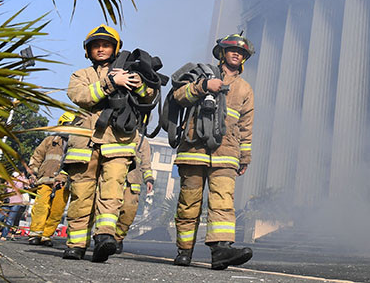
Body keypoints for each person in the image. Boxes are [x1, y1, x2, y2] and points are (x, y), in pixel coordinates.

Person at [61, 24, 156, 263]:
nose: (101, 49)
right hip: (84, 146)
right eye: (96, 46)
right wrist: (111, 83)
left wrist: (139, 83)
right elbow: (81, 96)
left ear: (115, 48)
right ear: (88, 51)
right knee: (81, 196)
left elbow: (149, 98)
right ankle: (76, 245)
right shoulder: (80, 75)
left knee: (112, 192)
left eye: (106, 45)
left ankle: (104, 238)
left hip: (118, 143)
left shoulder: (129, 72)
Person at [171, 33, 254, 270]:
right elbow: (178, 97)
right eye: (231, 50)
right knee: (189, 202)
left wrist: (244, 157)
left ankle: (221, 251)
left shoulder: (245, 89)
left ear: (244, 58)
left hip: (226, 153)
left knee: (223, 202)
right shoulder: (202, 73)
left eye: (241, 52)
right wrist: (202, 87)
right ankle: (184, 251)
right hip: (194, 148)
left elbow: (246, 126)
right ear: (222, 54)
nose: (236, 54)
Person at [26, 112, 75, 246]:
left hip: (64, 183)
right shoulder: (49, 141)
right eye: (68, 125)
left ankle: (46, 235)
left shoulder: (76, 145)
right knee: (41, 206)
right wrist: (33, 173)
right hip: (45, 180)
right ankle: (35, 234)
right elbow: (37, 156)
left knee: (57, 210)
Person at [113, 136, 153, 254]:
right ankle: (105, 237)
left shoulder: (142, 142)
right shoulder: (114, 133)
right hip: (114, 180)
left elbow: (146, 163)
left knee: (128, 212)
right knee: (109, 210)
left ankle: (117, 239)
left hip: (132, 183)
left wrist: (149, 179)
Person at [0, 168, 29, 239]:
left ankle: (4, 235)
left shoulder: (22, 179)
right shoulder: (9, 178)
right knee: (0, 217)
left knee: (10, 219)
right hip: (7, 201)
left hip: (16, 202)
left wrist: (20, 178)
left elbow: (27, 183)